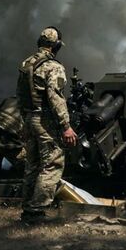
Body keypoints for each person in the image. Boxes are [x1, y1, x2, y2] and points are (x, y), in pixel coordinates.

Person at [17, 26, 77, 223]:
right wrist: (66, 126)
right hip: (45, 122)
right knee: (52, 164)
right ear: (56, 45)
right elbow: (55, 98)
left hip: (29, 119)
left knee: (32, 166)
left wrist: (24, 122)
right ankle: (36, 211)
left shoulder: (27, 63)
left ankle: (27, 209)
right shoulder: (53, 66)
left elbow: (20, 96)